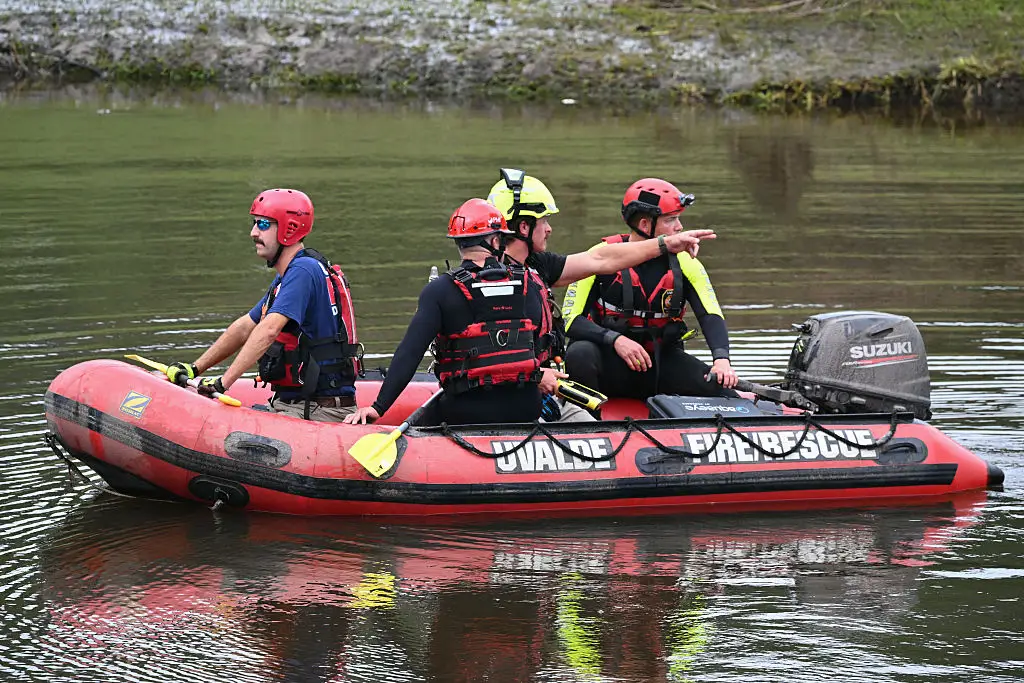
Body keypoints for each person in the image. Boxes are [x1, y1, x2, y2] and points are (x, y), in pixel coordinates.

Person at [484, 169, 718, 419]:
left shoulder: (540, 266)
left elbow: (601, 259)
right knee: (580, 354)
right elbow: (493, 354)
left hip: (536, 383)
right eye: (544, 221)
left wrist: (666, 244)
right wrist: (537, 375)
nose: (549, 229)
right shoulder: (484, 282)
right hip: (512, 390)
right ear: (523, 226)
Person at [344, 199, 554, 426]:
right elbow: (539, 348)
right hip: (525, 407)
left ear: (460, 244)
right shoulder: (528, 284)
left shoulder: (440, 291)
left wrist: (379, 407)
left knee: (424, 421)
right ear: (495, 241)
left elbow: (410, 353)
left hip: (466, 410)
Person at [165, 188, 362, 422]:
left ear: (289, 229)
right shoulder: (289, 275)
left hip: (319, 411)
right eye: (254, 223)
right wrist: (195, 369)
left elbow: (268, 330)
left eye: (263, 225)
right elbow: (246, 326)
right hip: (298, 404)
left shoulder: (303, 272)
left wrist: (223, 383)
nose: (253, 232)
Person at [562, 178, 739, 401]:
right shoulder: (598, 256)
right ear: (645, 225)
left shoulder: (686, 262)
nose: (680, 227)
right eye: (671, 220)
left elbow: (710, 314)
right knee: (579, 353)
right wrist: (615, 339)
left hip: (659, 363)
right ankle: (589, 426)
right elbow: (570, 320)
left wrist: (721, 359)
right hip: (608, 364)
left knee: (725, 393)